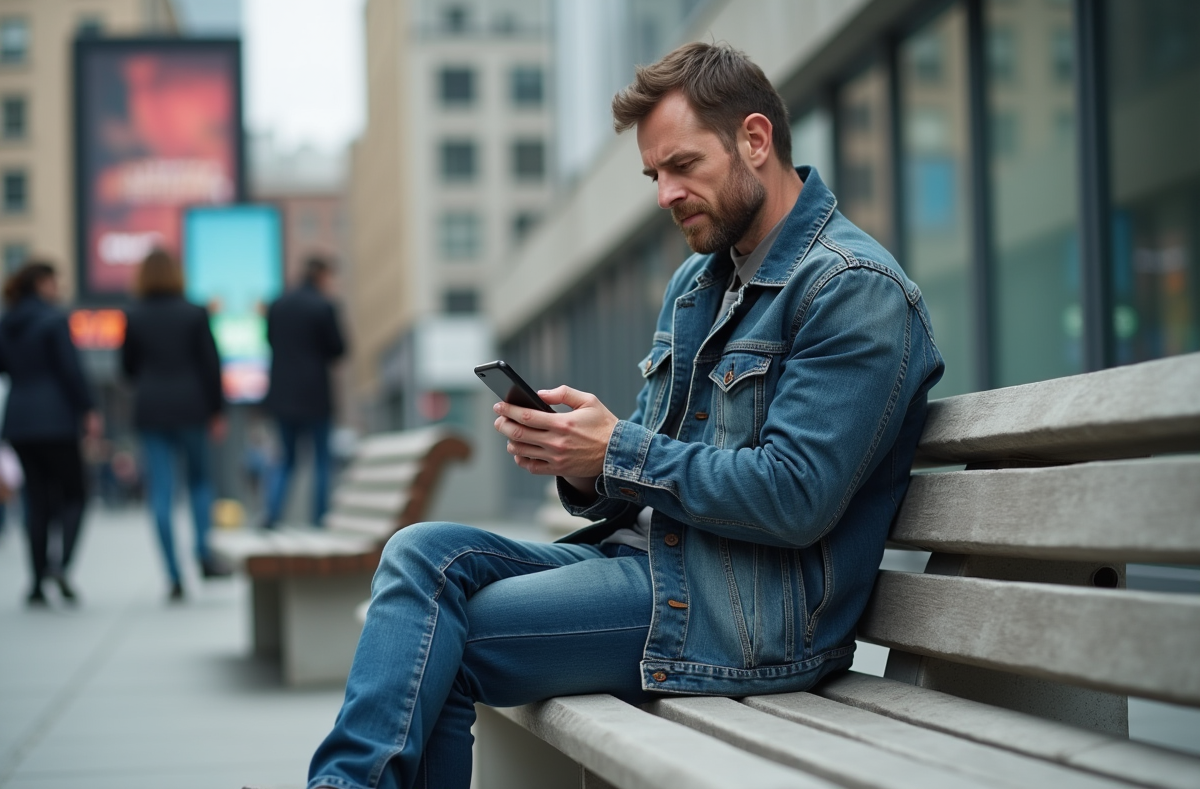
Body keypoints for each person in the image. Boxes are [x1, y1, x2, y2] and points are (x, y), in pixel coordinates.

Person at [306, 42, 945, 789]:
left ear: (755, 139)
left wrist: (618, 451)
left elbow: (795, 495)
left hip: (741, 616)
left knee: (438, 644)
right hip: (648, 562)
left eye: (683, 166)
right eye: (654, 175)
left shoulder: (852, 289)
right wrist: (577, 459)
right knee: (419, 553)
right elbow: (639, 463)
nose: (665, 194)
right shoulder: (698, 283)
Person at [121, 249, 230, 602]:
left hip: (152, 409)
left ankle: (172, 575)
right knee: (199, 481)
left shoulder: (134, 316)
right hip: (192, 407)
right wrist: (216, 410)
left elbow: (127, 369)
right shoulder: (194, 312)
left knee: (161, 492)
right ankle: (202, 553)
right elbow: (211, 364)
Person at [0, 262, 101, 607]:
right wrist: (88, 409)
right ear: (42, 284)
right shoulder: (53, 321)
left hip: (19, 420)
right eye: (54, 282)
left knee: (36, 500)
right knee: (76, 493)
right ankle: (61, 565)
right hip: (56, 419)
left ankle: (36, 580)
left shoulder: (7, 322)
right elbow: (70, 371)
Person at [262, 256, 346, 529]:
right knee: (322, 461)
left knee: (285, 460)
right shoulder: (323, 305)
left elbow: (270, 340)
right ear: (320, 275)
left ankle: (272, 515)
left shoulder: (278, 305)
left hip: (282, 395)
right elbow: (338, 349)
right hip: (315, 395)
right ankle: (319, 520)